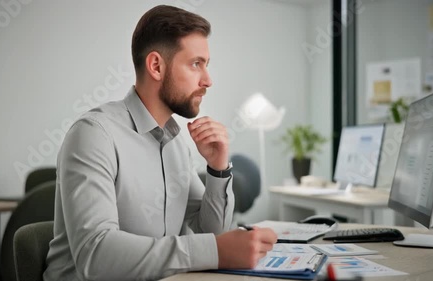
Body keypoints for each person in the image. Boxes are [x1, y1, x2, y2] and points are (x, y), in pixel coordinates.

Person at [43, 5, 277, 281]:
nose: (208, 80)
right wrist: (214, 249)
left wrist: (218, 168)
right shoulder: (94, 135)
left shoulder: (175, 143)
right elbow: (96, 255)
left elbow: (209, 233)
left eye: (207, 65)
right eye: (196, 64)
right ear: (156, 66)